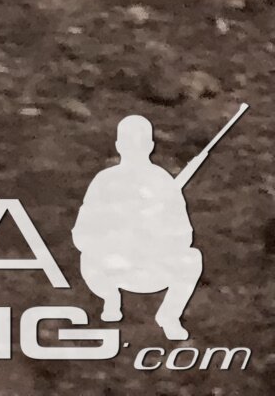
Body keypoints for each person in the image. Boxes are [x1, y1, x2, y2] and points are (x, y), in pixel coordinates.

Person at [74, 114, 206, 341]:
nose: (134, 148)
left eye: (140, 142)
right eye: (128, 142)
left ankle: (169, 315)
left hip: (151, 266)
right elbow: (82, 233)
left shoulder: (163, 182)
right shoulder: (104, 181)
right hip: (112, 267)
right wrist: (115, 233)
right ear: (118, 145)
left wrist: (156, 232)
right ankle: (110, 298)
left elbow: (184, 235)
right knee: (88, 258)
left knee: (192, 259)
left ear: (150, 146)